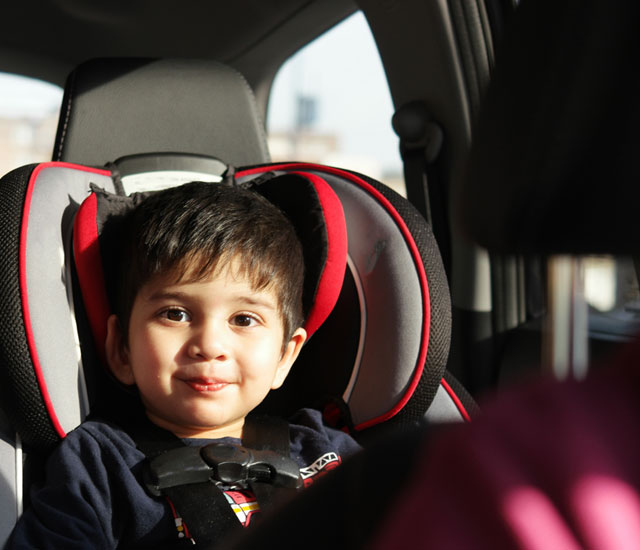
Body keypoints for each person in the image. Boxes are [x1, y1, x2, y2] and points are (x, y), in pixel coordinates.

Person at [8, 181, 360, 549]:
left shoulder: (326, 451)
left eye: (243, 319)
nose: (209, 346)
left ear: (285, 356)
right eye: (175, 314)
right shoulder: (100, 466)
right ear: (122, 349)